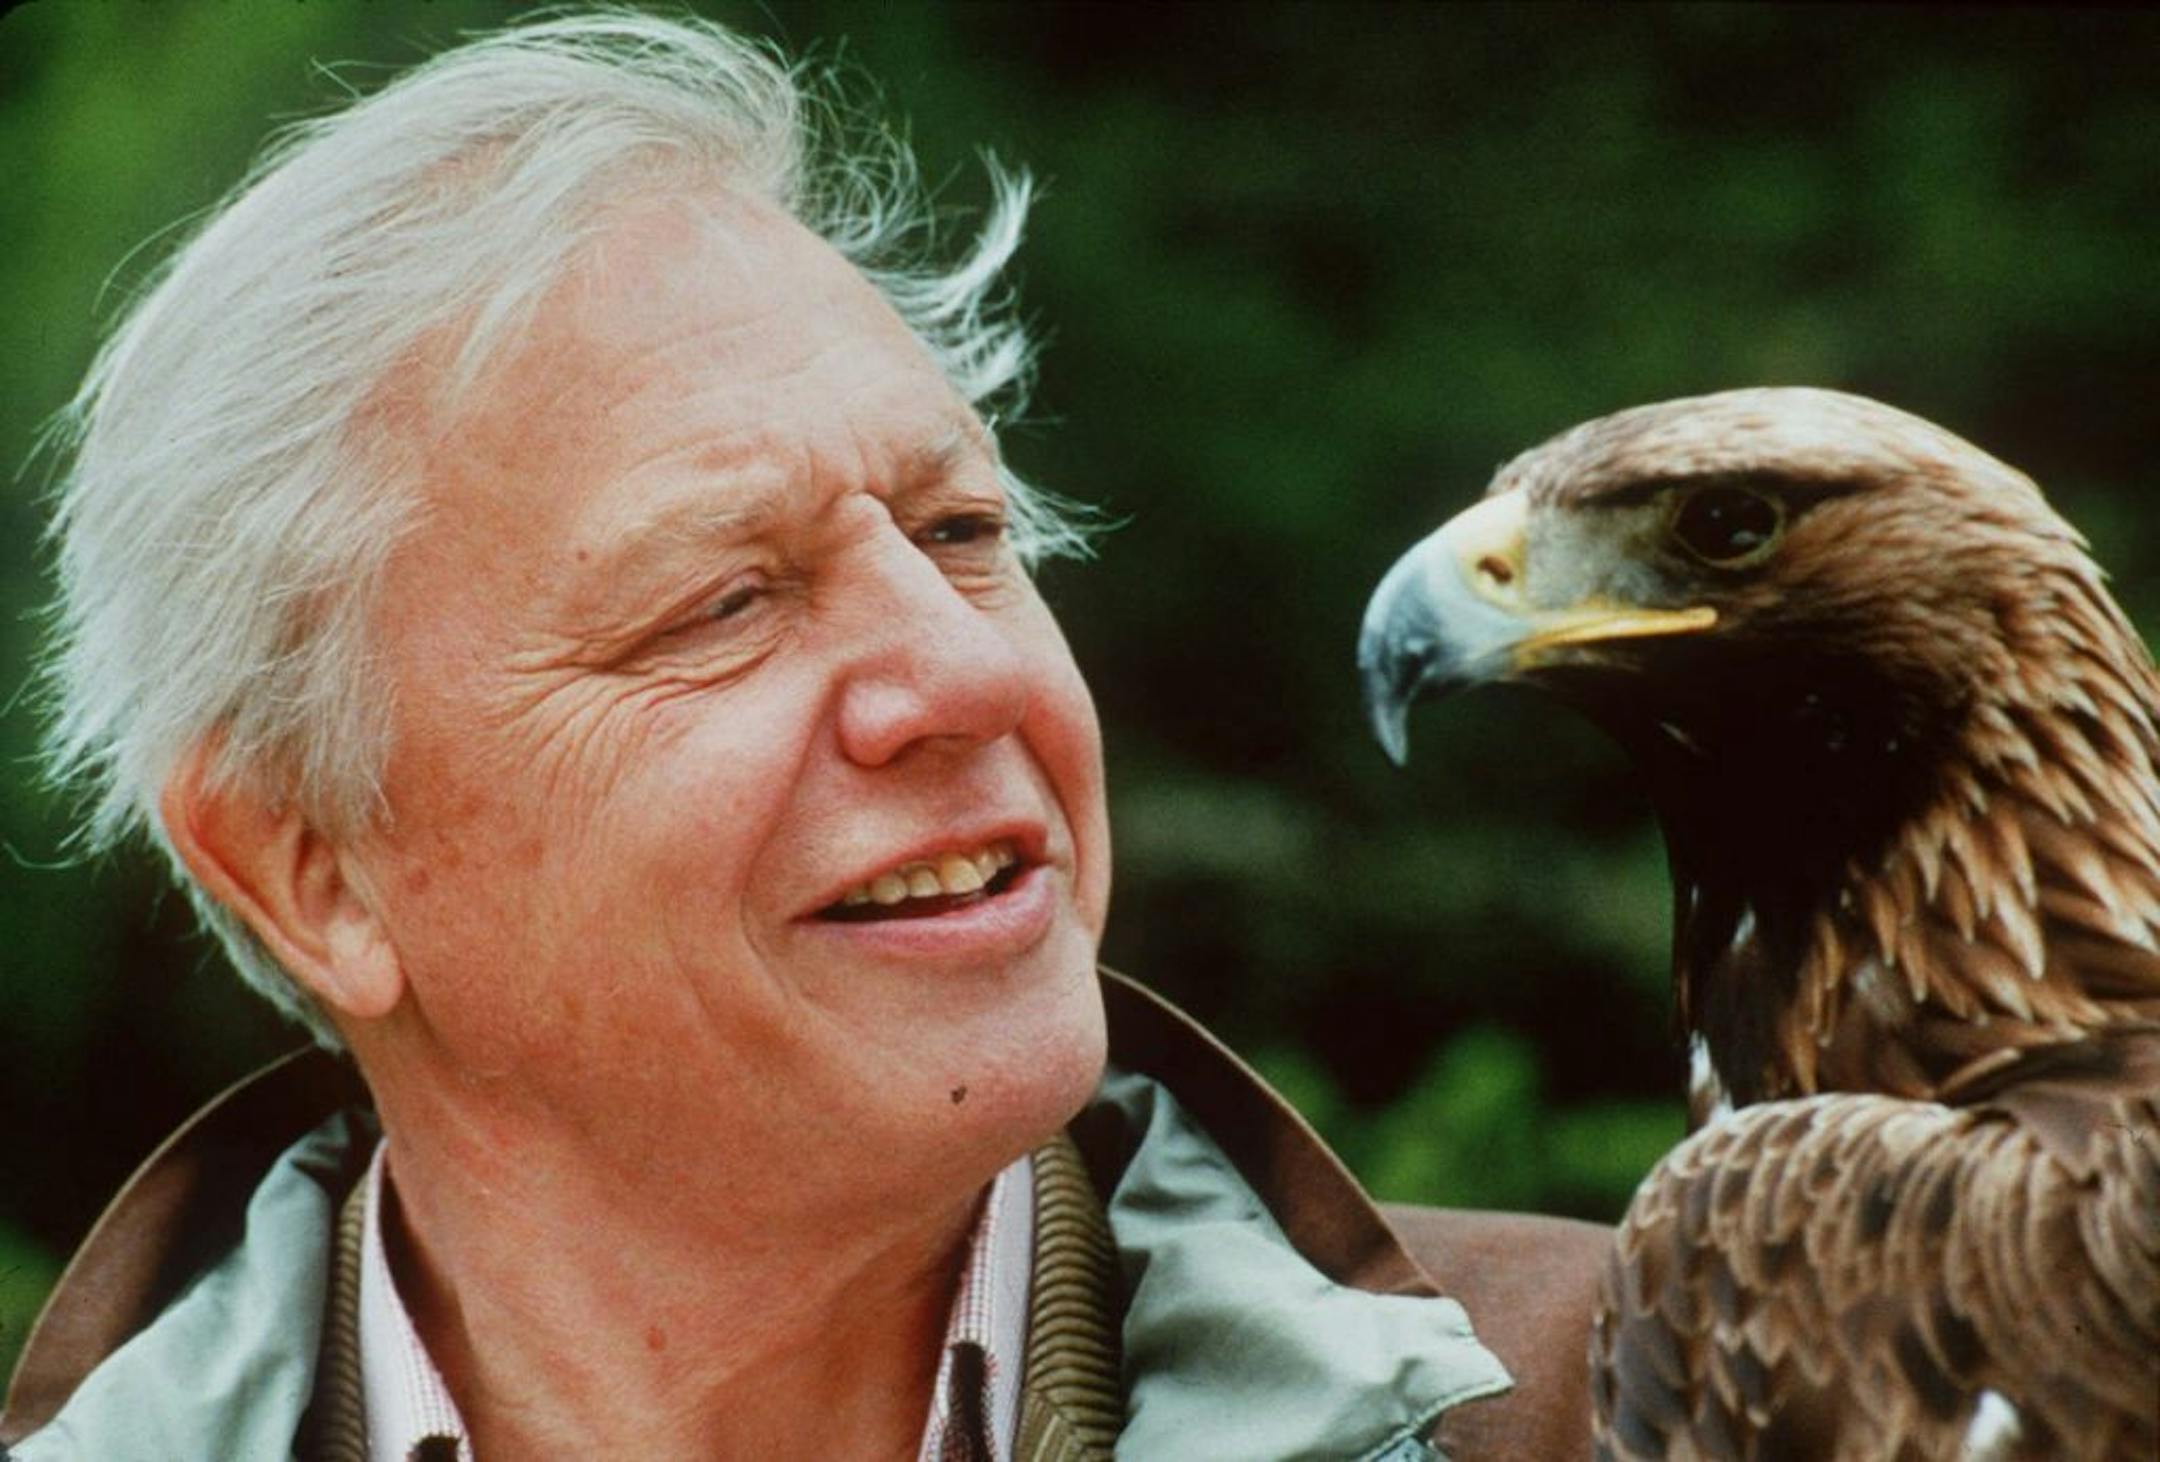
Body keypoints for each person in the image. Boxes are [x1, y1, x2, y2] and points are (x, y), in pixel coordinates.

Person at [4, 12, 1605, 1459]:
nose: (968, 673)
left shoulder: (1649, 1401)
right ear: (312, 871)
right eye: (724, 602)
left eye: (962, 530)